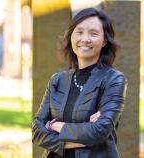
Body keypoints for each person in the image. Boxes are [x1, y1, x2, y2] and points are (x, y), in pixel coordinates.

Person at [32, 8, 127, 158]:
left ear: (104, 41)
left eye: (93, 33)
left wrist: (56, 126)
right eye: (79, 32)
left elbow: (100, 131)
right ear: (71, 37)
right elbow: (37, 131)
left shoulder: (114, 79)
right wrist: (85, 134)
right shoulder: (57, 80)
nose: (85, 39)